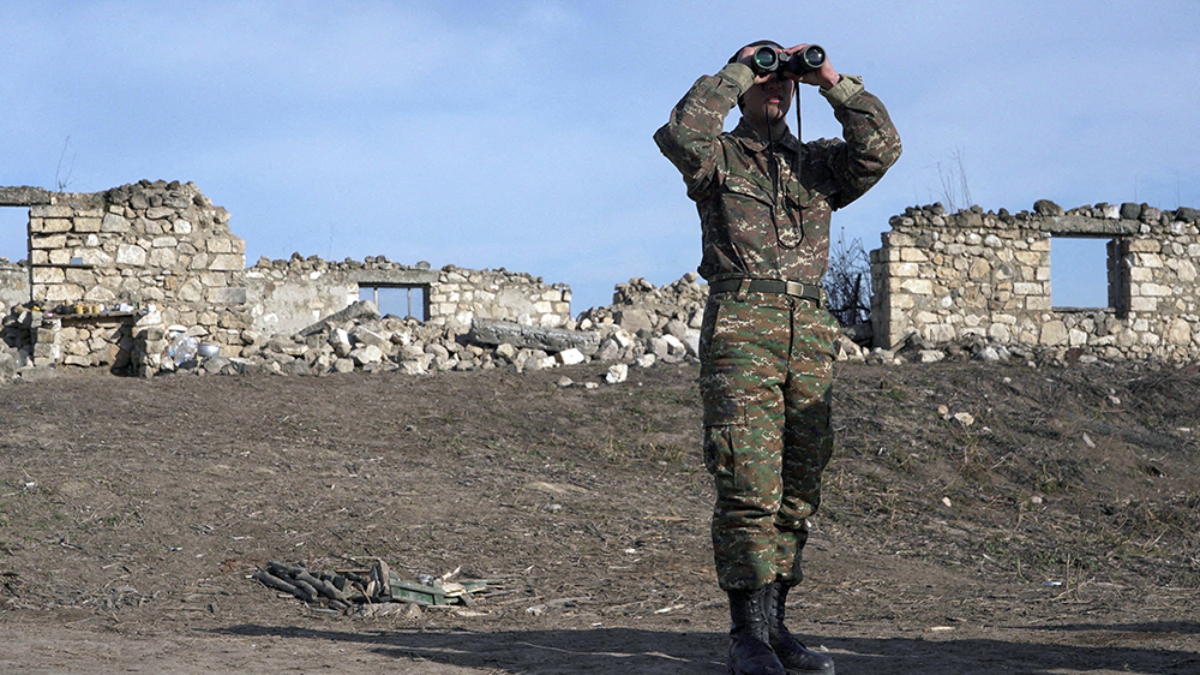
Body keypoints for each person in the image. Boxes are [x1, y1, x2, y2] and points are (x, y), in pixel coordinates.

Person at [654, 40, 901, 675]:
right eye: (765, 78)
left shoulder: (817, 166)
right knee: (747, 482)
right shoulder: (717, 156)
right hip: (742, 328)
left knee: (800, 485)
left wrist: (829, 80)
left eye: (780, 80)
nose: (774, 86)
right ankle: (746, 634)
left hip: (810, 335)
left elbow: (881, 149)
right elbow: (681, 134)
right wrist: (741, 67)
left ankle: (777, 624)